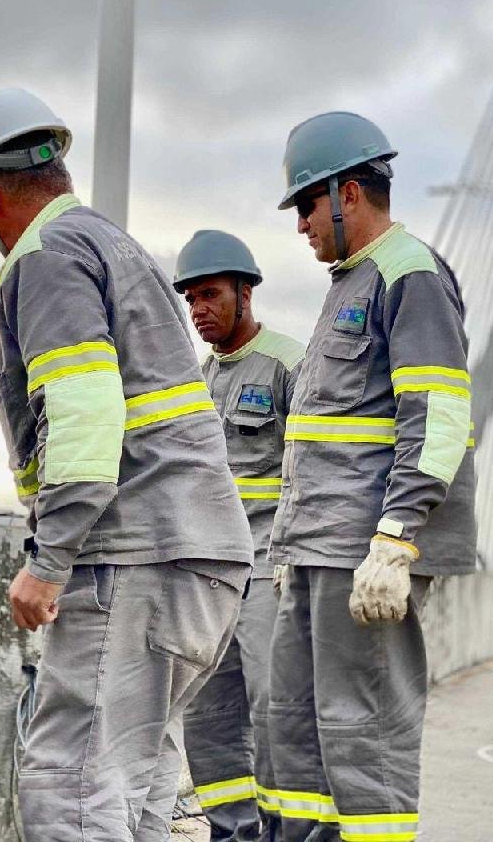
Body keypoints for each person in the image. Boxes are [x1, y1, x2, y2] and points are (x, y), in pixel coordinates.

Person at [0, 88, 254, 841]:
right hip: (202, 556)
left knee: (72, 789)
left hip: (133, 556)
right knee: (140, 786)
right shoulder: (117, 248)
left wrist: (48, 562)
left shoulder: (49, 258)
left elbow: (86, 417)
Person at [264, 112, 476, 842]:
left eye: (305, 207)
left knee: (364, 740)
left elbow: (438, 416)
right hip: (313, 547)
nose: (301, 228)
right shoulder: (348, 284)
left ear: (348, 193)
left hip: (363, 552)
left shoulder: (409, 274)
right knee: (295, 741)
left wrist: (395, 540)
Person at [173, 230, 305, 842]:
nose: (199, 309)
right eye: (191, 299)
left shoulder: (288, 365)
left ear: (245, 292)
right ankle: (232, 830)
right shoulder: (199, 379)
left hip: (269, 569)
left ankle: (284, 829)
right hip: (211, 575)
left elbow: (315, 467)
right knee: (207, 713)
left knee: (273, 709)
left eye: (210, 295)